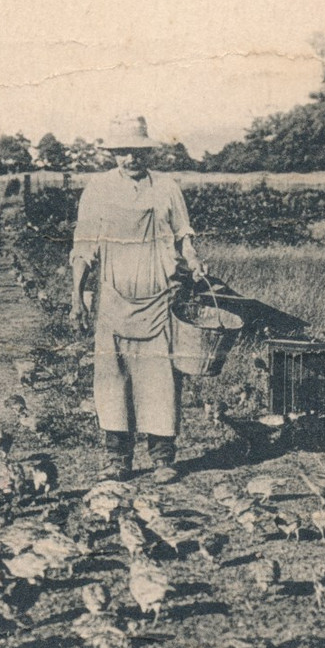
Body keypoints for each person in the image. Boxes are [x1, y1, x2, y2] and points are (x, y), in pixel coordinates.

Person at [70, 114, 208, 483]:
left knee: (160, 378)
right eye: (124, 152)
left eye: (138, 152)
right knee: (113, 379)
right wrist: (77, 296)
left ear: (148, 153)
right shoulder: (97, 190)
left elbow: (184, 237)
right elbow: (83, 248)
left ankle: (163, 457)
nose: (132, 159)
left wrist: (193, 262)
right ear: (113, 153)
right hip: (113, 299)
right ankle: (118, 458)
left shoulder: (166, 188)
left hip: (160, 298)